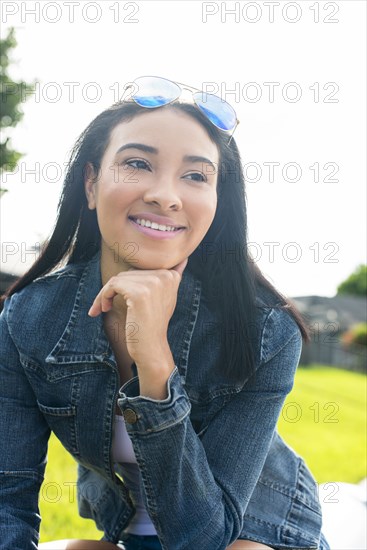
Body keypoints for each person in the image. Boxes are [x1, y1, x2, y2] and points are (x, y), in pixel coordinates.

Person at [0, 76, 330, 550]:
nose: (165, 195)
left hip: (250, 534)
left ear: (217, 203)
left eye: (196, 176)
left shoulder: (266, 332)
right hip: (123, 535)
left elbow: (206, 538)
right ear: (91, 184)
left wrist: (155, 363)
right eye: (137, 163)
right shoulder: (28, 320)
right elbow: (6, 496)